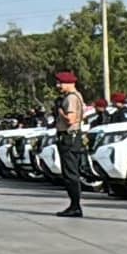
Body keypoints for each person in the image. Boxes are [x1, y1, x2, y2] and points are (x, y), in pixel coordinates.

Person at [51, 71, 88, 218]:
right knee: (69, 173)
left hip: (69, 138)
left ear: (69, 83)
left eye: (60, 83)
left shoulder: (71, 98)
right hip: (70, 138)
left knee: (70, 174)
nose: (58, 86)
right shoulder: (73, 96)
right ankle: (74, 205)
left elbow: (70, 120)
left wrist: (59, 110)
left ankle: (75, 206)